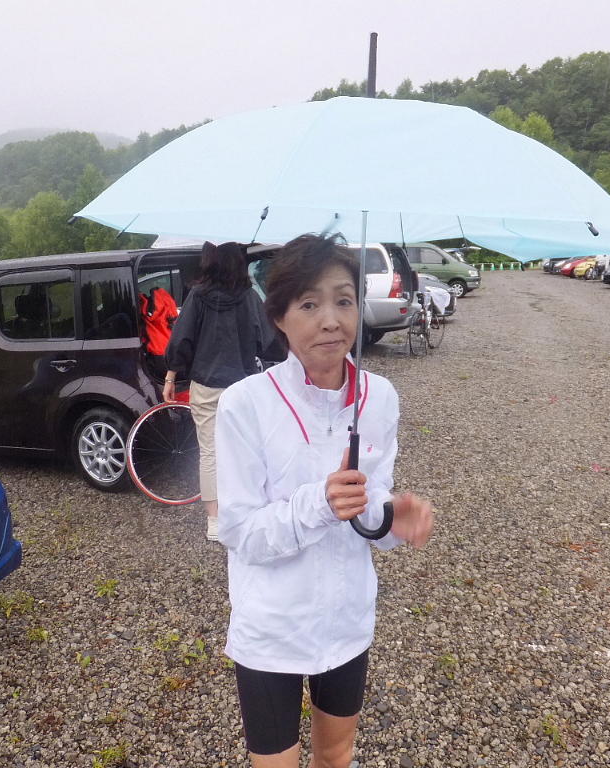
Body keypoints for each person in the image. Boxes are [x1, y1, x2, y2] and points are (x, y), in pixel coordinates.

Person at [215, 233, 434, 768]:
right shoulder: (246, 404)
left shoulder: (380, 397)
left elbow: (371, 499)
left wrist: (391, 519)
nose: (331, 320)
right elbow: (240, 531)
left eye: (344, 300)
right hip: (273, 625)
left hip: (346, 619)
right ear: (279, 318)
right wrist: (319, 503)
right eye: (309, 305)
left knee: (336, 755)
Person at [164, 241, 276, 541]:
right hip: (243, 386)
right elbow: (268, 341)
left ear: (209, 260)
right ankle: (246, 507)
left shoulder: (198, 295)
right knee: (245, 449)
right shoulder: (249, 297)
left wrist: (171, 375)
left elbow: (181, 339)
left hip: (206, 385)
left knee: (210, 452)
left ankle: (214, 520)